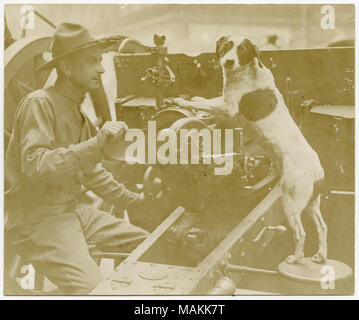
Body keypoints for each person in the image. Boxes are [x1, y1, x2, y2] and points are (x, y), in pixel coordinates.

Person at [5, 23, 150, 294]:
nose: (102, 69)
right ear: (68, 68)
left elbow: (92, 172)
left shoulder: (78, 114)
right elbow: (39, 167)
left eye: (101, 61)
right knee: (96, 292)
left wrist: (137, 202)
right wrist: (96, 145)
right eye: (92, 61)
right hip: (38, 221)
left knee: (152, 246)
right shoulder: (39, 103)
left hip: (73, 213)